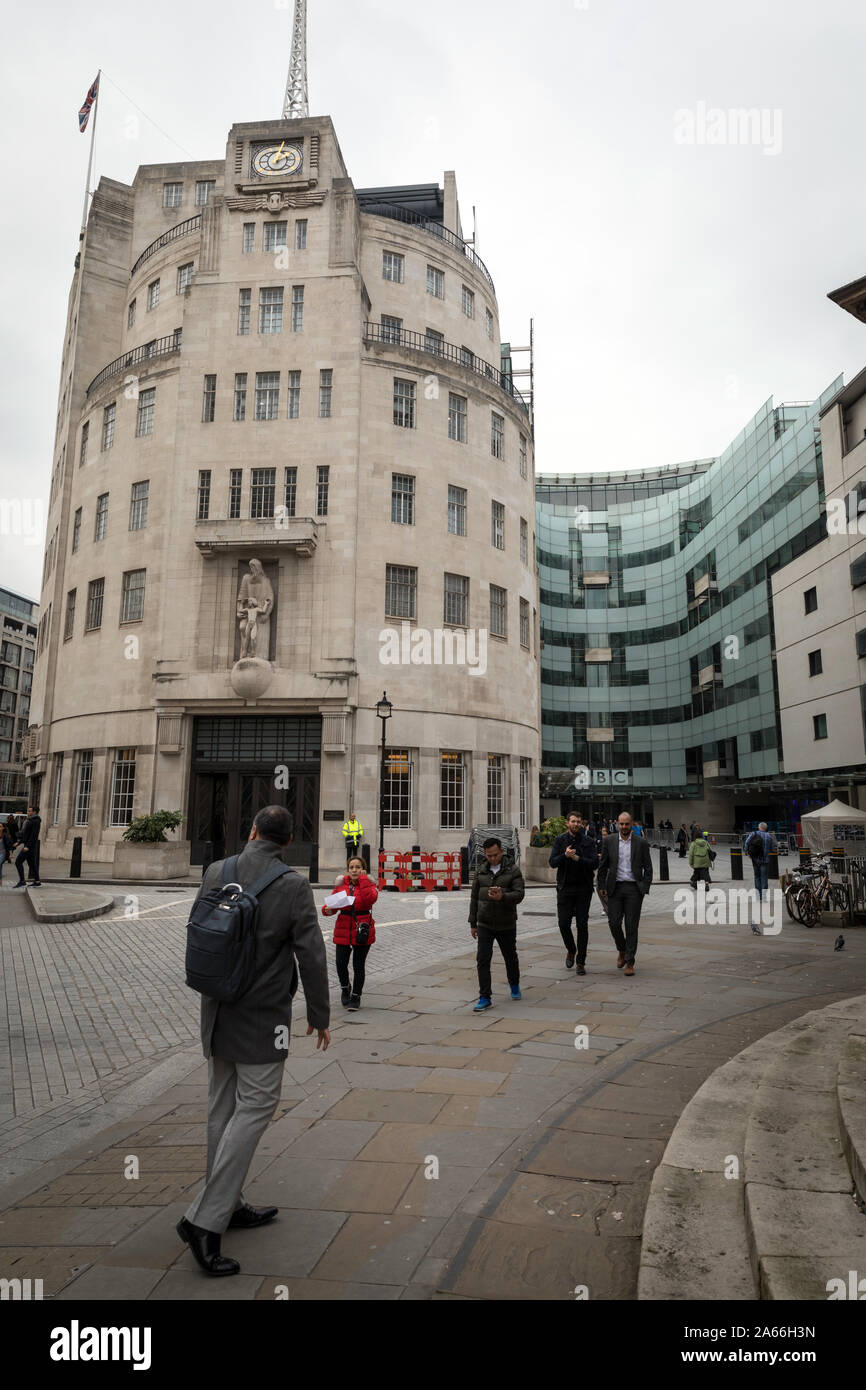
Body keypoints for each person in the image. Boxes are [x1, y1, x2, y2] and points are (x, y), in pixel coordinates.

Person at [177, 805, 330, 1278]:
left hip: (216, 1006)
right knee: (259, 1105)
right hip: (263, 1013)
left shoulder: (216, 870)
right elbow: (311, 953)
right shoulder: (293, 884)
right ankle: (205, 1220)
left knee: (221, 1108)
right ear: (287, 842)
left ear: (252, 832)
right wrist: (321, 1015)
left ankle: (230, 1201)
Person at [469, 837, 525, 1011]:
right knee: (482, 960)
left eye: (495, 855)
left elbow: (519, 894)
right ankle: (485, 996)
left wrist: (503, 897)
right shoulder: (481, 871)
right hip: (485, 922)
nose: (492, 858)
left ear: (501, 851)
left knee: (510, 956)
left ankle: (514, 984)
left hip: (506, 922)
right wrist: (473, 922)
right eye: (488, 856)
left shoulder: (513, 870)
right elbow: (474, 898)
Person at [597, 811, 653, 976]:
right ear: (617, 824)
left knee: (631, 926)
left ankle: (630, 961)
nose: (624, 827)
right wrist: (601, 885)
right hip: (615, 887)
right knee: (613, 923)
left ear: (632, 824)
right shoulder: (610, 841)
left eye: (627, 824)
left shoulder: (641, 842)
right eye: (621, 824)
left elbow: (648, 867)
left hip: (634, 889)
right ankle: (621, 950)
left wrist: (644, 887)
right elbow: (603, 865)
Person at [322, 855, 378, 1011]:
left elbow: (369, 900)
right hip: (343, 927)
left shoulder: (369, 885)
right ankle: (345, 988)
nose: (354, 870)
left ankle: (356, 996)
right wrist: (327, 910)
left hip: (362, 927)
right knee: (340, 963)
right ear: (348, 870)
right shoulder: (341, 886)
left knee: (358, 965)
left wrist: (364, 880)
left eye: (358, 867)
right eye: (352, 867)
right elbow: (331, 905)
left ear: (363, 869)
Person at [548, 812, 598, 975]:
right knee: (563, 923)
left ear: (581, 824)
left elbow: (594, 864)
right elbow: (552, 862)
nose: (576, 824)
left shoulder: (588, 841)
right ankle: (571, 949)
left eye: (578, 822)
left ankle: (581, 961)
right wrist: (565, 855)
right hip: (565, 888)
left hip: (583, 888)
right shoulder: (560, 840)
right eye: (573, 821)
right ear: (567, 823)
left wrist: (577, 858)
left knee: (582, 925)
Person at [744, 822, 774, 902]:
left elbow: (746, 843)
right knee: (764, 878)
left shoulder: (753, 834)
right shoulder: (769, 836)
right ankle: (764, 897)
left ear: (759, 827)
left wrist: (747, 853)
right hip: (765, 860)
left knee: (757, 877)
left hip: (755, 859)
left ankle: (758, 896)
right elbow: (772, 849)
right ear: (766, 828)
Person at [12, 807, 42, 888]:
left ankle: (22, 881)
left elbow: (34, 835)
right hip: (28, 845)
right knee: (32, 864)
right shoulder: (30, 820)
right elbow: (26, 834)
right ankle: (37, 881)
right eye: (28, 811)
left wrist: (28, 846)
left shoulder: (36, 821)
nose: (27, 812)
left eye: (29, 811)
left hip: (30, 846)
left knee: (18, 862)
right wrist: (18, 842)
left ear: (34, 812)